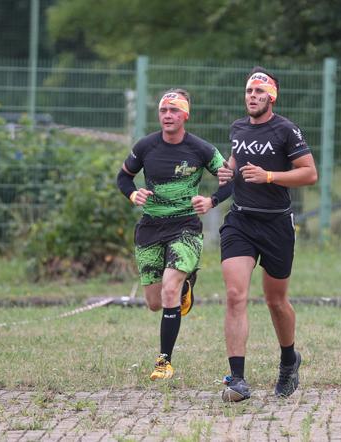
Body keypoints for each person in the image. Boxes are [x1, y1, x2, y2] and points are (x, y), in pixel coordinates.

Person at [217, 67, 318, 401]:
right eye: (249, 91)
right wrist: (226, 173)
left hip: (276, 223)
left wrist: (269, 176)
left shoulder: (285, 130)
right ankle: (237, 381)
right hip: (241, 221)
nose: (252, 96)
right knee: (235, 294)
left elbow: (309, 174)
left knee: (276, 301)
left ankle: (289, 360)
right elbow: (235, 163)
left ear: (271, 96)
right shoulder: (237, 128)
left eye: (260, 91)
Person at [117, 88, 230, 381]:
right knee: (155, 302)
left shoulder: (201, 149)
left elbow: (231, 178)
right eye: (164, 110)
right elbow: (123, 176)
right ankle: (185, 288)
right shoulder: (145, 147)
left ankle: (164, 362)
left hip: (185, 227)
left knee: (168, 290)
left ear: (185, 115)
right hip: (150, 227)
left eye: (174, 110)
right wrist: (133, 195)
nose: (168, 115)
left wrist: (211, 201)